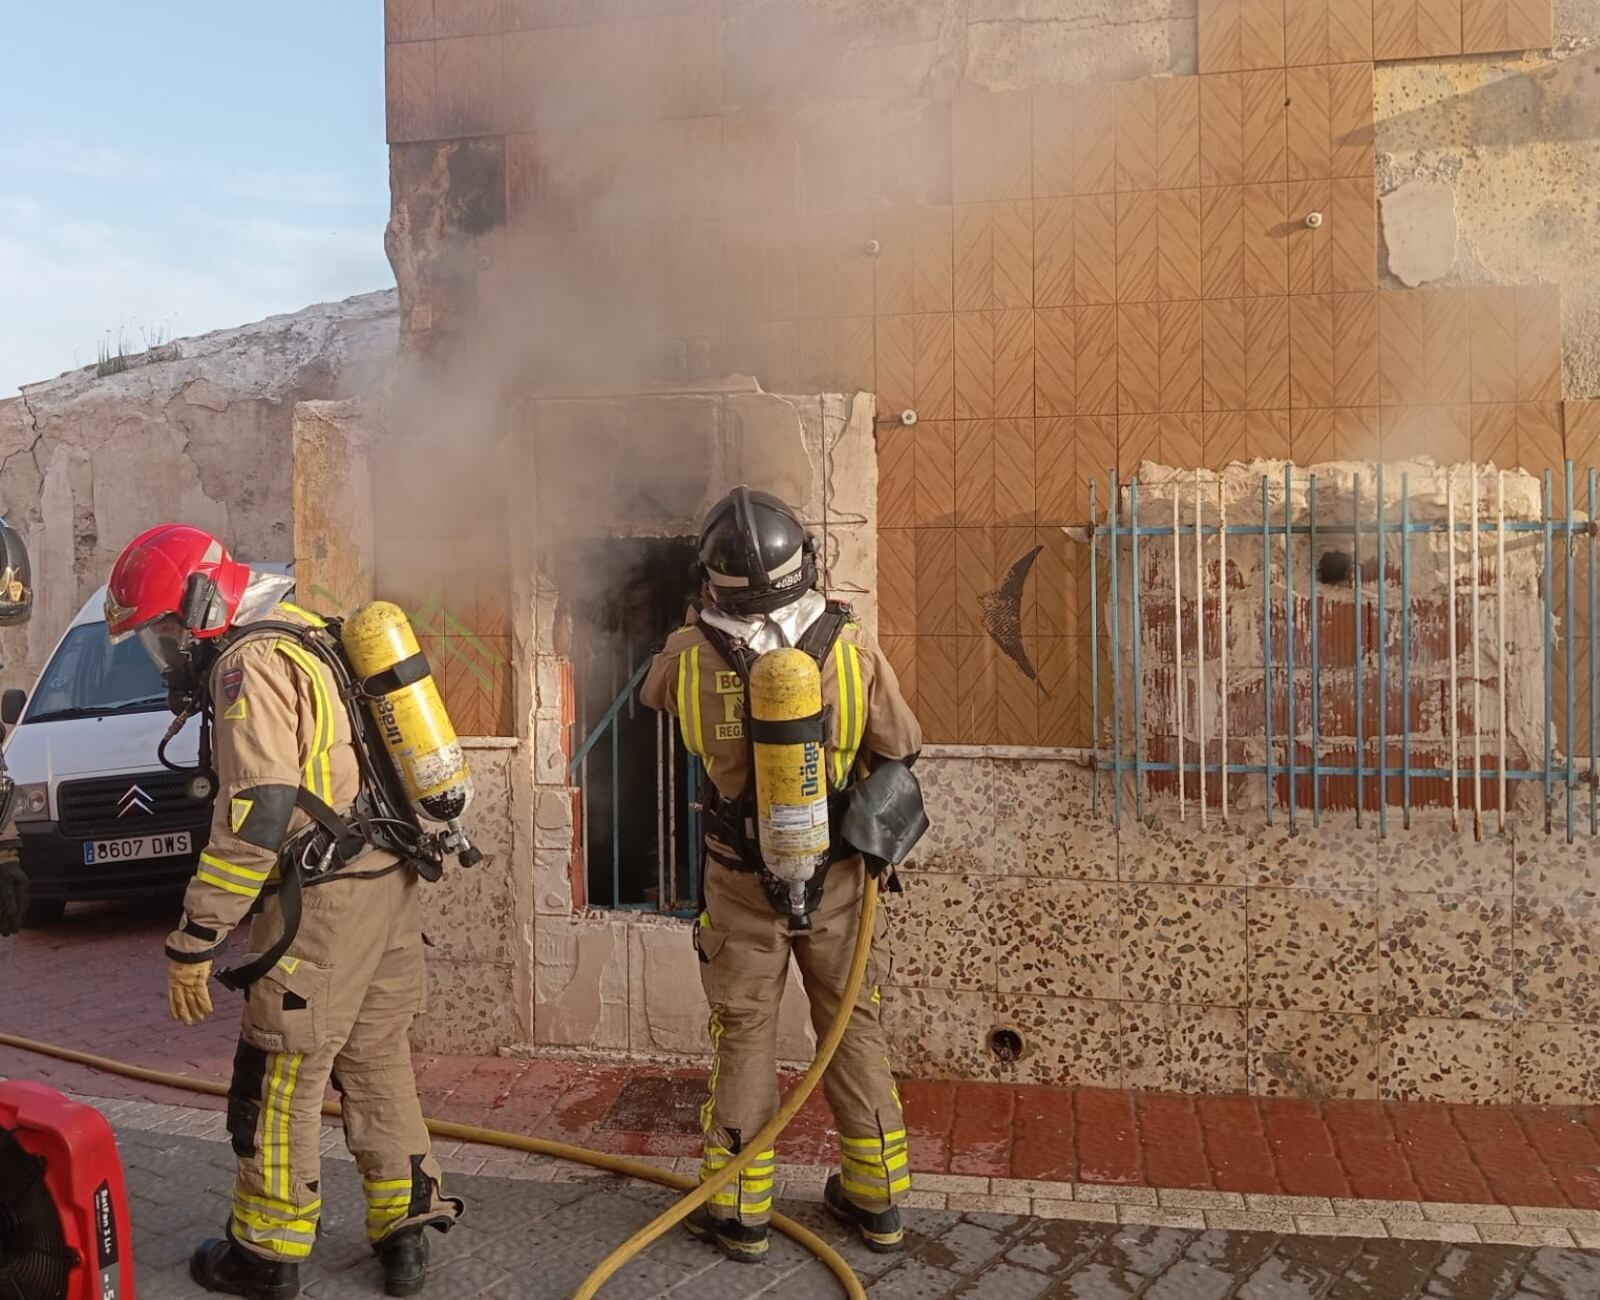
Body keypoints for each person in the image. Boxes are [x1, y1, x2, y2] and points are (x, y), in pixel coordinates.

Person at [104, 524, 461, 1300]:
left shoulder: (248, 664)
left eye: (164, 633)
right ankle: (405, 1232)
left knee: (278, 1071)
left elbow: (258, 813)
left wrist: (197, 937)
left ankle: (265, 1252)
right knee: (376, 1058)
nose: (167, 654)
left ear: (200, 604)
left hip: (324, 905)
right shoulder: (305, 629)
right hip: (388, 877)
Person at [642, 486, 923, 1263]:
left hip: (739, 878)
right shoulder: (848, 644)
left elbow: (654, 694)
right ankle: (878, 1199)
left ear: (712, 578)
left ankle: (739, 1211)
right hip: (838, 878)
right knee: (851, 1025)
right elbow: (902, 743)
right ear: (805, 562)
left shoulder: (688, 652)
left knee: (745, 1036)